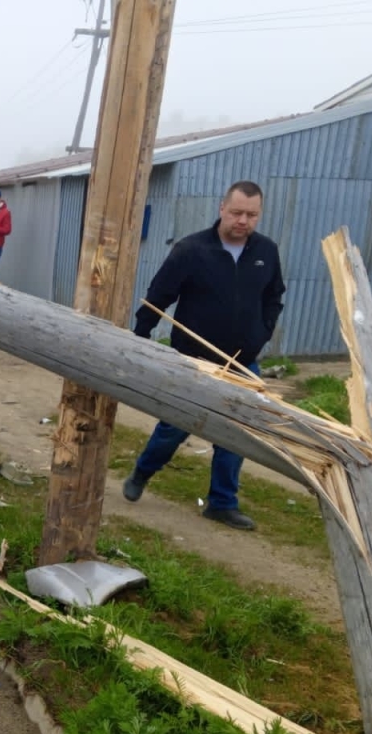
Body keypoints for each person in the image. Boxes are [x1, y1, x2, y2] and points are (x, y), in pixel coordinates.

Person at [123, 180, 286, 531]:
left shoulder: (266, 251)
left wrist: (262, 333)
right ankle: (143, 471)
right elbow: (158, 295)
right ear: (222, 209)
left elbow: (274, 296)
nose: (244, 220)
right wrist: (140, 337)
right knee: (175, 427)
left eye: (252, 214)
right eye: (237, 212)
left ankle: (222, 502)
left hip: (242, 362)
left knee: (236, 433)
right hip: (193, 359)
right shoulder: (192, 250)